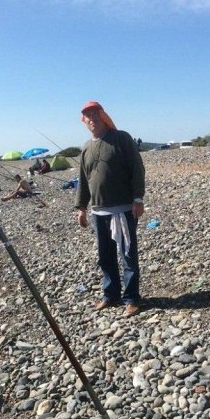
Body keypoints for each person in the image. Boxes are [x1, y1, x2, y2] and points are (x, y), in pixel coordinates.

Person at [75, 100, 145, 317]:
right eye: (88, 116)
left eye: (95, 114)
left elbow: (137, 168)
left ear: (103, 116)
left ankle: (131, 298)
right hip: (98, 211)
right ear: (84, 121)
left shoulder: (121, 138)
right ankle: (110, 295)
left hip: (122, 208)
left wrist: (138, 198)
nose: (92, 119)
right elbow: (83, 180)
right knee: (105, 256)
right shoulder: (86, 147)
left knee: (127, 255)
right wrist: (81, 208)